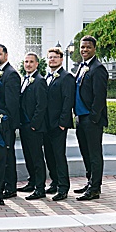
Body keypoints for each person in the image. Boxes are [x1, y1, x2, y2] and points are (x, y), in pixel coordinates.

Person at [74, 35, 109, 201]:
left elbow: (99, 97)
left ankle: (95, 188)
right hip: (80, 118)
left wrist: (94, 118)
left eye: (88, 47)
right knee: (85, 153)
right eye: (82, 47)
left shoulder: (98, 68)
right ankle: (90, 182)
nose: (84, 50)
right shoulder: (81, 67)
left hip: (91, 119)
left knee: (95, 155)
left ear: (94, 49)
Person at [44, 46, 74, 201]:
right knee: (49, 155)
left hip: (58, 125)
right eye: (50, 57)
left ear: (61, 59)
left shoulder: (66, 77)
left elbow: (68, 100)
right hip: (46, 124)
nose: (52, 60)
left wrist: (63, 123)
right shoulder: (46, 76)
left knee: (59, 156)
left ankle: (63, 188)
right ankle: (54, 182)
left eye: (55, 57)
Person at [0, 43, 21, 198]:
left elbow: (12, 103)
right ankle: (2, 185)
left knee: (8, 155)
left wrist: (7, 122)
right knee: (2, 155)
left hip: (7, 122)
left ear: (6, 55)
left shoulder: (11, 74)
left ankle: (11, 187)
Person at [18, 52, 48, 199]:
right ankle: (32, 181)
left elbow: (41, 106)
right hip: (24, 125)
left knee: (36, 158)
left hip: (33, 127)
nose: (28, 64)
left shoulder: (39, 80)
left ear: (37, 64)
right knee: (28, 156)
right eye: (26, 62)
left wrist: (34, 125)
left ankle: (40, 189)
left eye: (31, 62)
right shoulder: (25, 79)